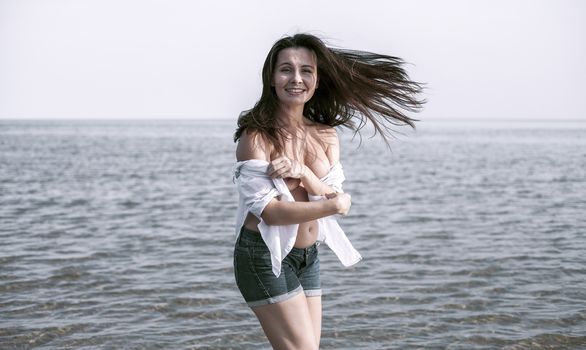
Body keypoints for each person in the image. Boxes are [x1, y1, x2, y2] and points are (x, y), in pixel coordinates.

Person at [232, 33, 424, 349]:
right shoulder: (257, 137)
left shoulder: (326, 135)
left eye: (306, 70)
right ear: (271, 78)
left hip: (309, 256)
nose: (296, 78)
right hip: (264, 255)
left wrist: (306, 175)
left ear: (317, 80)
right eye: (286, 70)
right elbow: (272, 213)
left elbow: (330, 192)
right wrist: (335, 207)